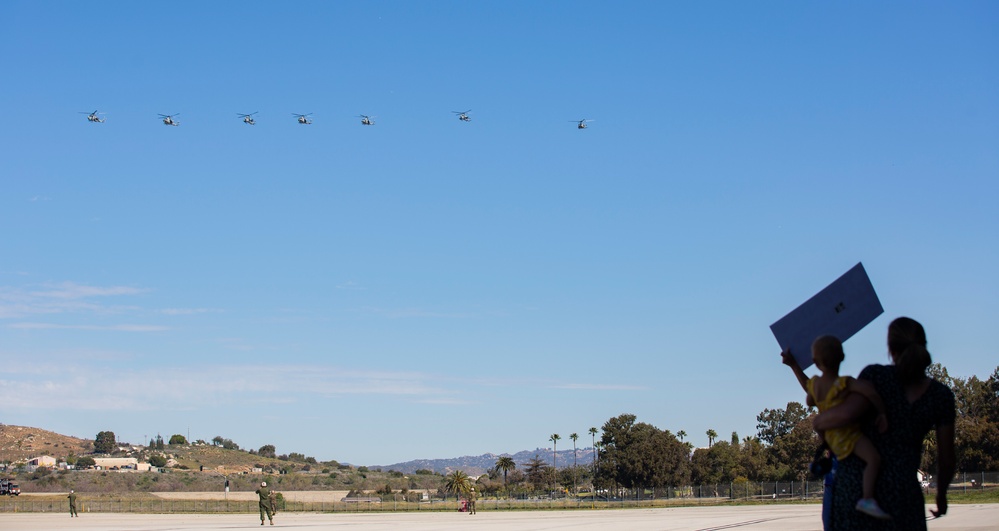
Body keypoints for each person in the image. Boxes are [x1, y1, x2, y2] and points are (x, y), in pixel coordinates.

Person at [814, 317, 956, 530]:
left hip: (857, 496)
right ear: (923, 346)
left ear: (890, 348)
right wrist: (941, 495)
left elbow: (844, 415)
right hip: (903, 500)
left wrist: (819, 421)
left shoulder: (876, 377)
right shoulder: (940, 396)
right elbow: (947, 459)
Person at [783, 335, 891, 519]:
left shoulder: (816, 385)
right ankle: (867, 498)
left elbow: (809, 397)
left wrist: (794, 365)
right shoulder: (844, 383)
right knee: (873, 459)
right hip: (848, 435)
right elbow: (870, 392)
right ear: (842, 357)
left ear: (815, 362)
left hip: (831, 440)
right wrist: (882, 412)